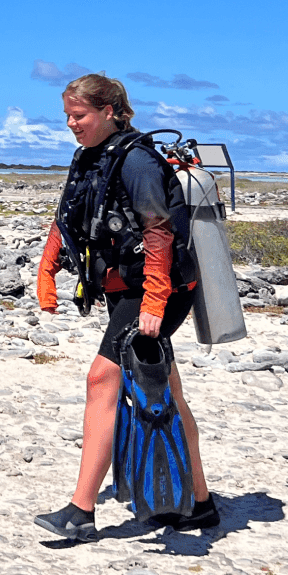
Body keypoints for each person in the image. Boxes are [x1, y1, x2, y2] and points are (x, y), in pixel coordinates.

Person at [32, 74, 217, 541]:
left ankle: (81, 510)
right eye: (68, 116)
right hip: (126, 289)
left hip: (158, 290)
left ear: (110, 111)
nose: (72, 125)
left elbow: (158, 232)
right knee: (168, 391)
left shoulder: (136, 162)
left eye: (80, 116)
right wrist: (47, 268)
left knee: (101, 378)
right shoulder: (90, 158)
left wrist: (155, 300)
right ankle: (200, 502)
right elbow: (71, 215)